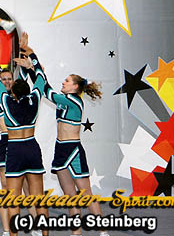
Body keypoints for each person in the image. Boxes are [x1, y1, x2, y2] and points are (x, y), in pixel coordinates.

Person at [16, 33, 108, 236]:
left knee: (85, 193)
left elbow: (46, 90)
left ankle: (103, 232)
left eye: (67, 81)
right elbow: (42, 85)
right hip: (60, 149)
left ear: (75, 87)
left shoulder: (73, 101)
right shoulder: (65, 99)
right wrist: (31, 66)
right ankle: (76, 232)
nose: (64, 83)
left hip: (73, 150)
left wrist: (33, 59)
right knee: (69, 195)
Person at [0, 45, 48, 236]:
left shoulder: (6, 101)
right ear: (29, 90)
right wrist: (32, 58)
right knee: (38, 198)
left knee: (13, 199)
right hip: (32, 147)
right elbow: (41, 78)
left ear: (13, 92)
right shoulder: (35, 99)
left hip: (15, 150)